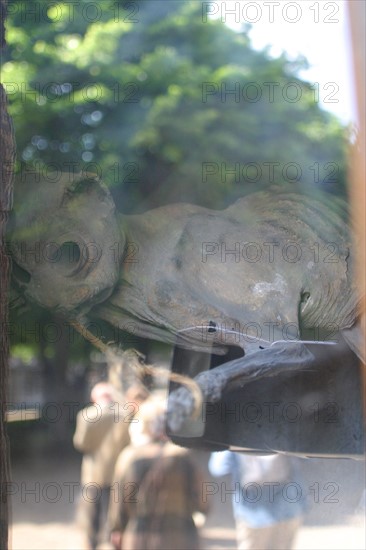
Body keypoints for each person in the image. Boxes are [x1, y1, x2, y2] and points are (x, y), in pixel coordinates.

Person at [108, 397, 209, 550]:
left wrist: (117, 529)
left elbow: (118, 503)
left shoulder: (129, 457)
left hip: (139, 538)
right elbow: (203, 501)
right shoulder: (183, 456)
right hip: (181, 536)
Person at [73, 381, 149, 550]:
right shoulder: (124, 414)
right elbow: (130, 442)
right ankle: (113, 543)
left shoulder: (86, 415)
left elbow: (81, 444)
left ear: (94, 397)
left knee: (91, 514)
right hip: (117, 473)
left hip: (93, 474)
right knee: (114, 512)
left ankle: (92, 543)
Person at [209, 451, 306, 550]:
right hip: (289, 505)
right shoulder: (287, 435)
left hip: (253, 512)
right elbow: (306, 454)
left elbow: (218, 467)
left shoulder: (234, 436)